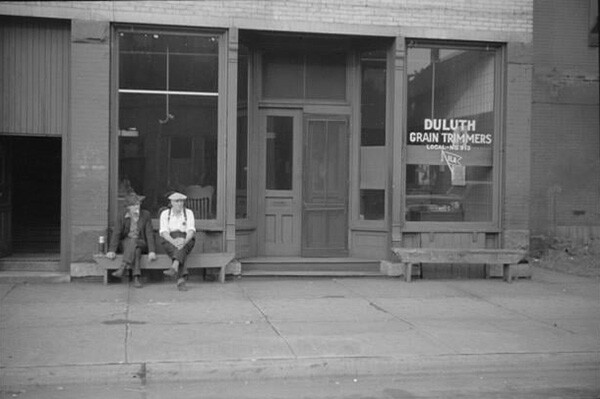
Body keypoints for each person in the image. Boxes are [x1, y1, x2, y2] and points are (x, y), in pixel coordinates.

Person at [106, 192, 156, 288]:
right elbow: (117, 232)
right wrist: (112, 250)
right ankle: (136, 277)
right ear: (128, 207)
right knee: (136, 250)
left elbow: (149, 234)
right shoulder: (122, 215)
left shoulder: (145, 215)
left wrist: (152, 251)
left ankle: (123, 267)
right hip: (127, 242)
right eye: (133, 205)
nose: (137, 207)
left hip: (141, 241)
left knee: (135, 242)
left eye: (138, 204)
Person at [159, 191, 196, 291]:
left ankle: (175, 266)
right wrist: (174, 241)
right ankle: (181, 279)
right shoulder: (165, 214)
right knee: (179, 248)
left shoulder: (188, 213)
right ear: (171, 203)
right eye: (177, 201)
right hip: (169, 240)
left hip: (186, 239)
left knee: (181, 244)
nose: (180, 204)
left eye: (181, 201)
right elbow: (164, 232)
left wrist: (184, 241)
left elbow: (191, 231)